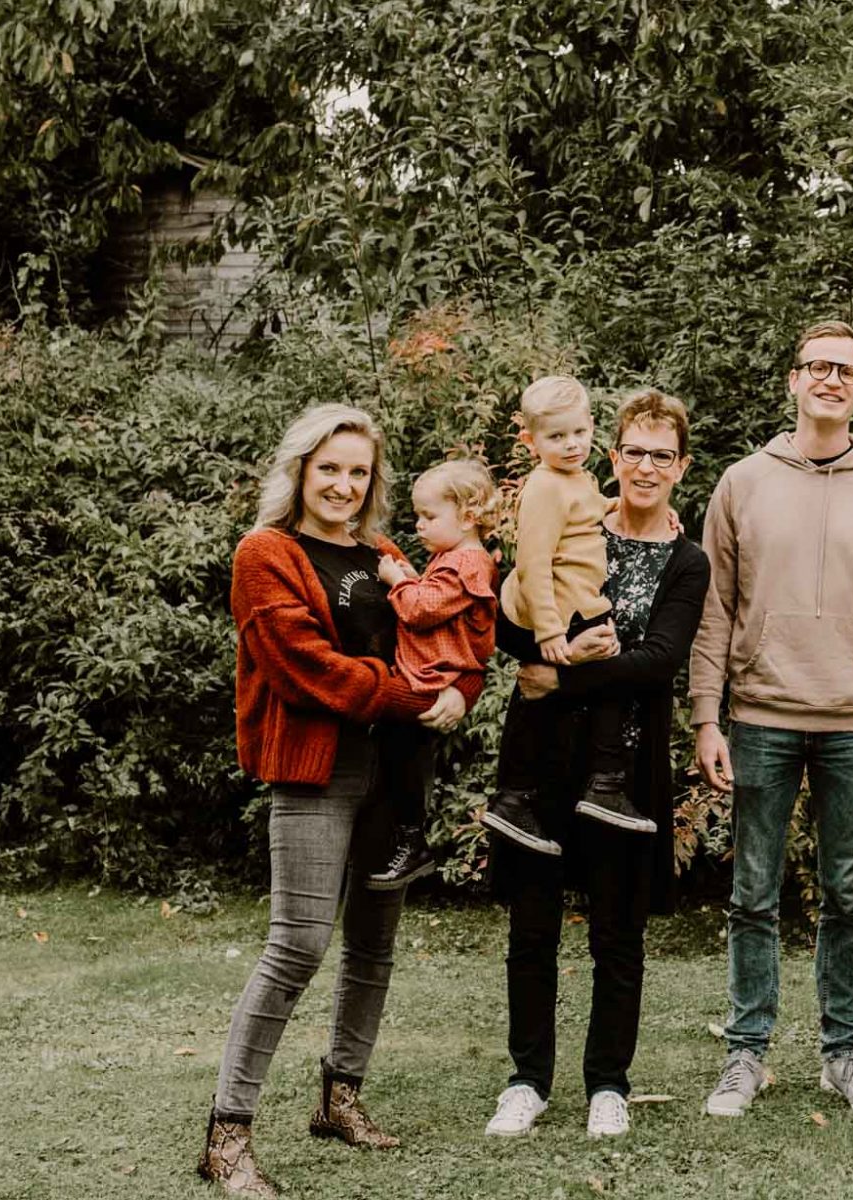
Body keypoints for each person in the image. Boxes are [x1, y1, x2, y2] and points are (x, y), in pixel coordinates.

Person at [200, 405, 477, 1198]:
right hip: (316, 771)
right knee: (296, 946)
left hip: (395, 775)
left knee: (373, 945)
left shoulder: (385, 553)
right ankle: (228, 1137)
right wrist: (406, 693)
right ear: (299, 470)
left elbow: (450, 631)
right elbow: (304, 667)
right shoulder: (267, 553)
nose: (344, 486)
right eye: (330, 469)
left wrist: (461, 688)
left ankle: (339, 1099)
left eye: (359, 473)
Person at [689, 319, 853, 1120]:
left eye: (848, 372)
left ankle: (842, 1055)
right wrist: (705, 716)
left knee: (848, 896)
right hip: (759, 715)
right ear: (793, 380)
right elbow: (714, 610)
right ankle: (747, 1056)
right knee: (751, 894)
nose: (832, 380)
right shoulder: (741, 483)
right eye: (819, 367)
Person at [481, 387, 711, 1141]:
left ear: (681, 467)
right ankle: (527, 1079)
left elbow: (658, 663)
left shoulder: (687, 561)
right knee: (533, 926)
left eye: (662, 455)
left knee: (617, 932)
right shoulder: (570, 517)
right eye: (634, 451)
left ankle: (607, 1083)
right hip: (543, 758)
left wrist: (563, 673)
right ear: (613, 456)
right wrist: (542, 656)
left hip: (623, 771)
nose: (646, 466)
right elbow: (505, 620)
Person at [484, 375, 647, 858]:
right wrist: (551, 630)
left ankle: (535, 792)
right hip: (548, 608)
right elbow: (532, 561)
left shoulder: (577, 479)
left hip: (572, 601)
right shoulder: (543, 488)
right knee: (605, 672)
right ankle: (593, 783)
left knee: (551, 686)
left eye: (578, 432)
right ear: (530, 441)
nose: (572, 444)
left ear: (592, 425)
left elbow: (590, 510)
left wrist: (630, 504)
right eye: (556, 437)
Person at [367, 460, 501, 889]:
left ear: (467, 516)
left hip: (431, 677)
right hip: (429, 673)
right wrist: (411, 578)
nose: (419, 526)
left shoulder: (464, 564)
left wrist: (394, 580)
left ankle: (411, 840)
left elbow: (421, 611)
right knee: (398, 755)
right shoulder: (454, 559)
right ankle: (403, 837)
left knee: (400, 753)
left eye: (429, 516)